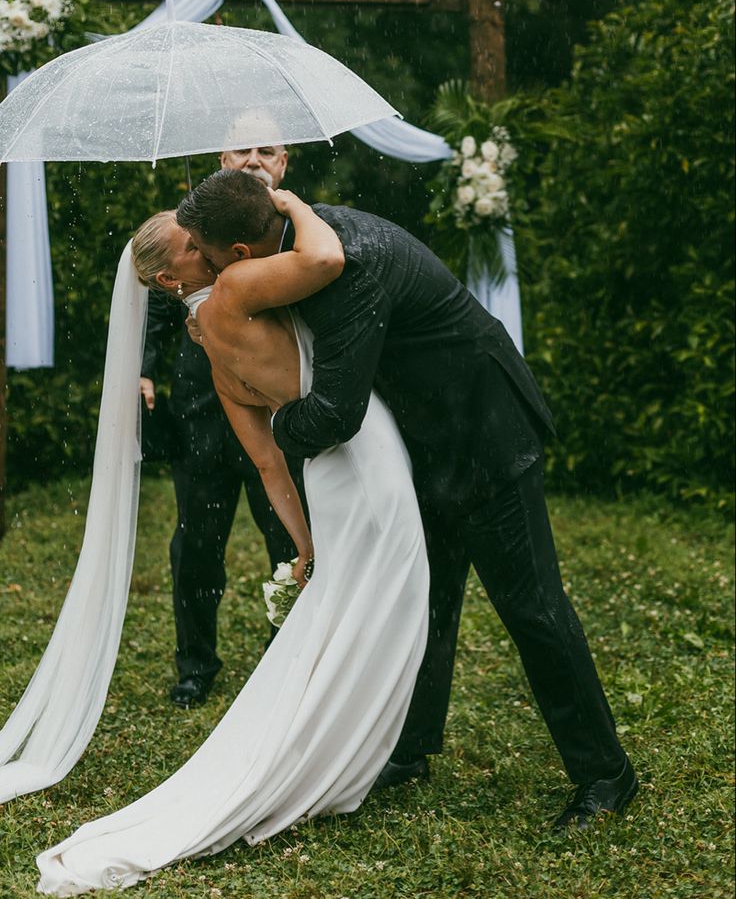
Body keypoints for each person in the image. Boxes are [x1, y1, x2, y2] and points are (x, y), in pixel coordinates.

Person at [179, 169, 638, 830]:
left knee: (532, 608)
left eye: (210, 256)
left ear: (243, 254)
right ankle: (412, 748)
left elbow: (334, 414)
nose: (206, 269)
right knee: (427, 600)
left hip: (484, 433)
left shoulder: (345, 271)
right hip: (423, 447)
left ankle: (605, 775)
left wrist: (272, 420)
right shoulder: (300, 243)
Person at [36, 189, 429, 893]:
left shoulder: (214, 350)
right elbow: (327, 255)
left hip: (331, 484)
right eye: (192, 244)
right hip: (367, 455)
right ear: (171, 277)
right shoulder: (244, 285)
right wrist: (288, 197)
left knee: (358, 610)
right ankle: (353, 757)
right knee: (396, 610)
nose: (210, 244)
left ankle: (345, 753)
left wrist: (308, 547)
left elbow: (273, 464)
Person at [141, 144, 296, 708]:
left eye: (267, 150)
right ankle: (195, 665)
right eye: (241, 150)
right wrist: (145, 371)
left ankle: (293, 651)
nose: (254, 160)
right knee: (197, 546)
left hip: (274, 416)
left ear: (285, 164)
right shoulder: (185, 240)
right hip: (201, 413)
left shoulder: (289, 236)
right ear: (221, 159)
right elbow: (157, 306)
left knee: (285, 535)